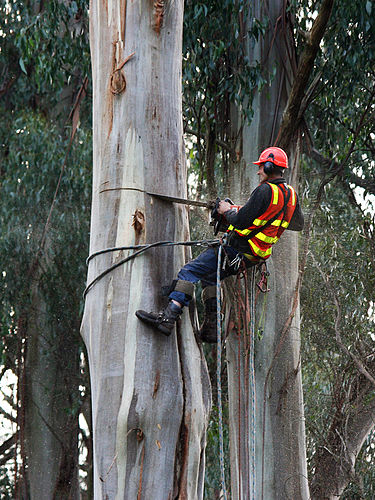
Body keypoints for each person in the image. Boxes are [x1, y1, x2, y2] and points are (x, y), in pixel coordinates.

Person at [136, 147, 304, 342]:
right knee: (209, 277)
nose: (258, 171)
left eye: (261, 167)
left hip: (236, 250)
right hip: (252, 257)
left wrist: (226, 210)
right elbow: (297, 223)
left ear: (268, 166)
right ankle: (212, 328)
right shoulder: (291, 195)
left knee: (189, 271)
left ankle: (168, 317)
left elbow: (240, 221)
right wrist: (256, 213)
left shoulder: (265, 190)